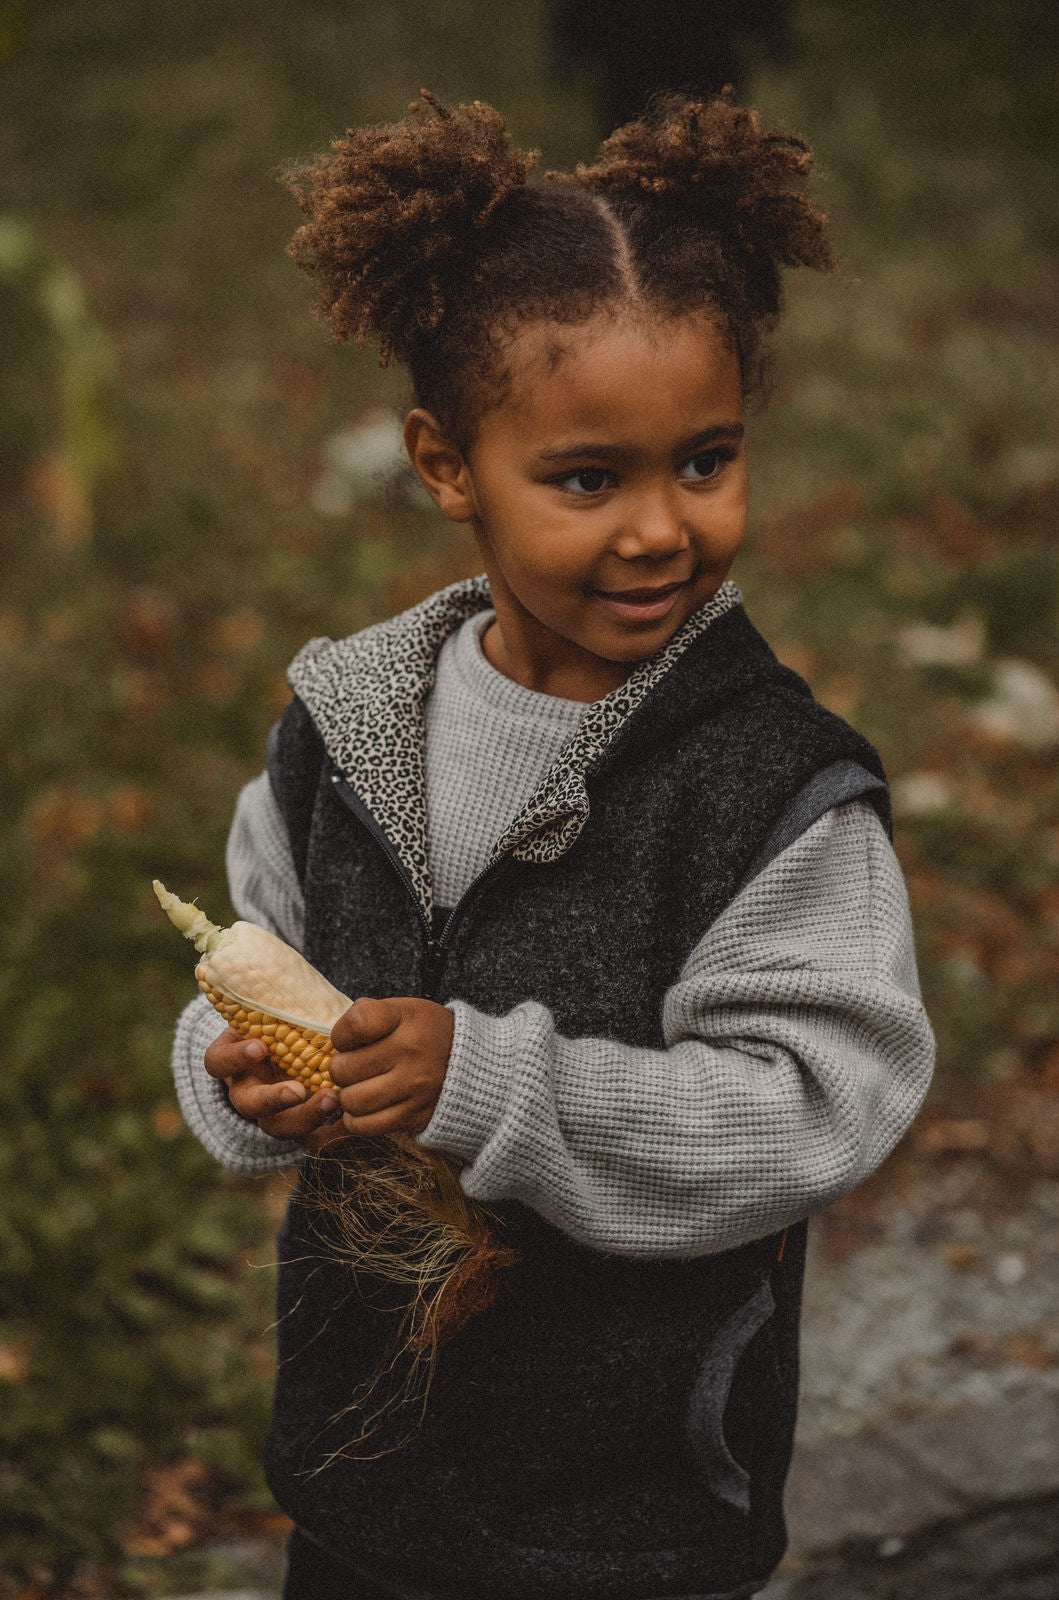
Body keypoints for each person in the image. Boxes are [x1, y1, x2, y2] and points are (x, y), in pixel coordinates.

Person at [170, 90, 935, 1600]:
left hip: (625, 1512)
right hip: (363, 1477)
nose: (661, 529)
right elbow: (246, 961)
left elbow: (817, 1106)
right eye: (589, 479)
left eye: (706, 461)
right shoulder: (346, 731)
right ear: (447, 465)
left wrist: (493, 1084)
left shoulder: (767, 789)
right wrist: (235, 1066)